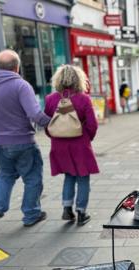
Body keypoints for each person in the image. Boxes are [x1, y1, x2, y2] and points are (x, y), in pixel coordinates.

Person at [0, 50, 51, 231]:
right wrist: (53, 122)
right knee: (32, 178)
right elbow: (35, 115)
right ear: (17, 67)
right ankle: (31, 214)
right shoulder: (20, 85)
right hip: (22, 141)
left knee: (5, 176)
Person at [44, 65, 99, 226]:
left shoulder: (50, 99)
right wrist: (87, 138)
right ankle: (81, 212)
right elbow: (92, 125)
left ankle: (67, 209)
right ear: (79, 79)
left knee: (69, 175)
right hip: (80, 144)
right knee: (83, 177)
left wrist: (54, 135)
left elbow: (46, 123)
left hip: (59, 145)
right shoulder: (83, 99)